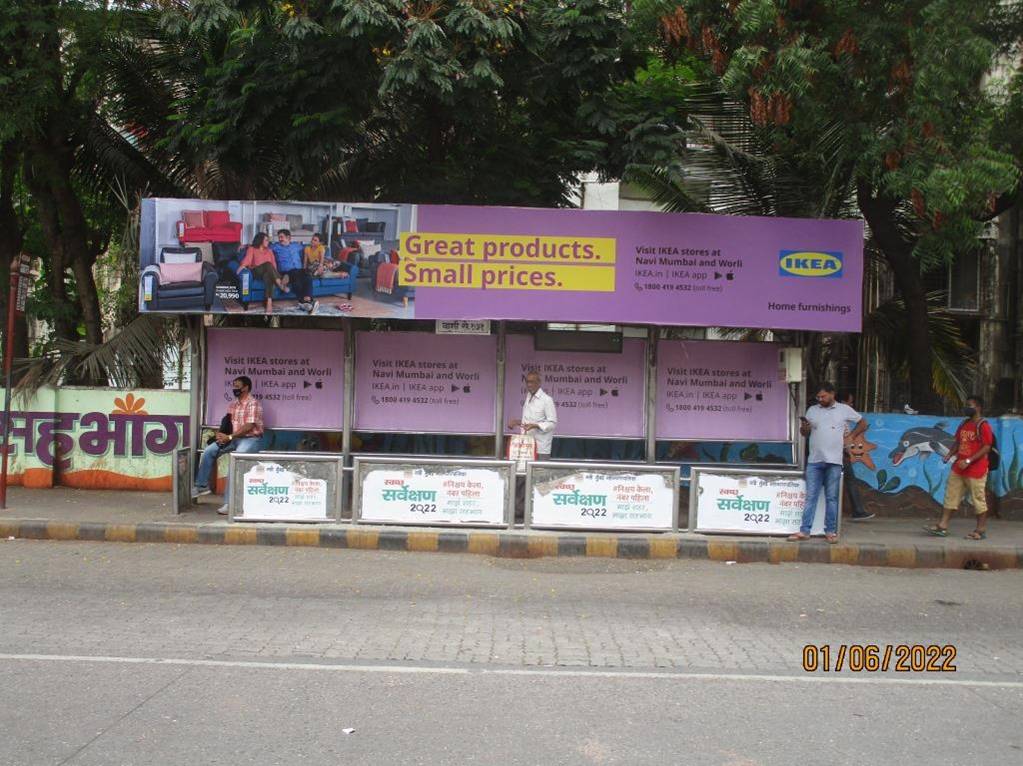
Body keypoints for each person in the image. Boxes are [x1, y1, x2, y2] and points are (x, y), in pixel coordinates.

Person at [789, 383, 867, 544]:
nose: (820, 399)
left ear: (832, 394)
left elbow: (863, 423)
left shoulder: (843, 410)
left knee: (832, 497)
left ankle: (830, 531)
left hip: (834, 461)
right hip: (815, 461)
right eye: (818, 397)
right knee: (811, 497)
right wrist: (805, 427)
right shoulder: (812, 410)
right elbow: (805, 434)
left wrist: (850, 436)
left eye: (823, 396)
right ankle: (805, 530)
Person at [925, 395, 994, 540]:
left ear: (979, 408)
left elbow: (986, 447)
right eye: (966, 405)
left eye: (970, 405)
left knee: (978, 499)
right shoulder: (964, 424)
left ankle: (980, 530)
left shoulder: (983, 425)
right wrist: (949, 455)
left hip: (976, 470)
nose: (967, 408)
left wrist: (968, 460)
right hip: (959, 468)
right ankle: (942, 526)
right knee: (951, 495)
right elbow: (958, 441)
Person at [193, 376, 265, 515]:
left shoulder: (253, 403)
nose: (235, 389)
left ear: (246, 387)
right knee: (209, 451)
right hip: (232, 438)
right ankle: (202, 485)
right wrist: (220, 435)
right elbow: (227, 424)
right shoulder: (233, 404)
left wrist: (230, 437)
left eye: (238, 386)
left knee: (234, 462)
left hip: (250, 439)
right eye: (234, 386)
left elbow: (249, 426)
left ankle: (229, 504)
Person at [838, 390, 875, 521]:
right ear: (843, 403)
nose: (851, 405)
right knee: (850, 481)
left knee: (848, 481)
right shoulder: (841, 413)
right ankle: (857, 510)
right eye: (850, 402)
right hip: (839, 454)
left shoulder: (841, 416)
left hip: (842, 453)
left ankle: (857, 510)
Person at [508, 370, 558, 458]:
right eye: (527, 382)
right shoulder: (528, 396)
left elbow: (552, 424)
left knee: (540, 472)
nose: (529, 385)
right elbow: (530, 421)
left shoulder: (546, 400)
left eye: (532, 382)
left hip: (540, 448)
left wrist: (535, 426)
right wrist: (517, 422)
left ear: (539, 383)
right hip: (527, 446)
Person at [237, 232, 287, 314]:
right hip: (256, 271)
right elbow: (248, 259)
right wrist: (242, 266)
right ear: (260, 241)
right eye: (266, 240)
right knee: (268, 264)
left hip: (267, 273)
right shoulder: (252, 249)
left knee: (269, 275)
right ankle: (279, 283)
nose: (268, 242)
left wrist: (275, 274)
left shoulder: (270, 251)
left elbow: (274, 264)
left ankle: (269, 303)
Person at [271, 229, 318, 313]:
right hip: (286, 271)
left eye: (282, 237)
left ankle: (305, 301)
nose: (280, 239)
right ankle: (306, 301)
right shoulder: (275, 246)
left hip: (299, 271)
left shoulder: (296, 246)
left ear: (288, 237)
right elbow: (261, 245)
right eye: (279, 237)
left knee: (307, 276)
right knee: (298, 276)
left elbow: (310, 246)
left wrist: (321, 247)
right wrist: (245, 246)